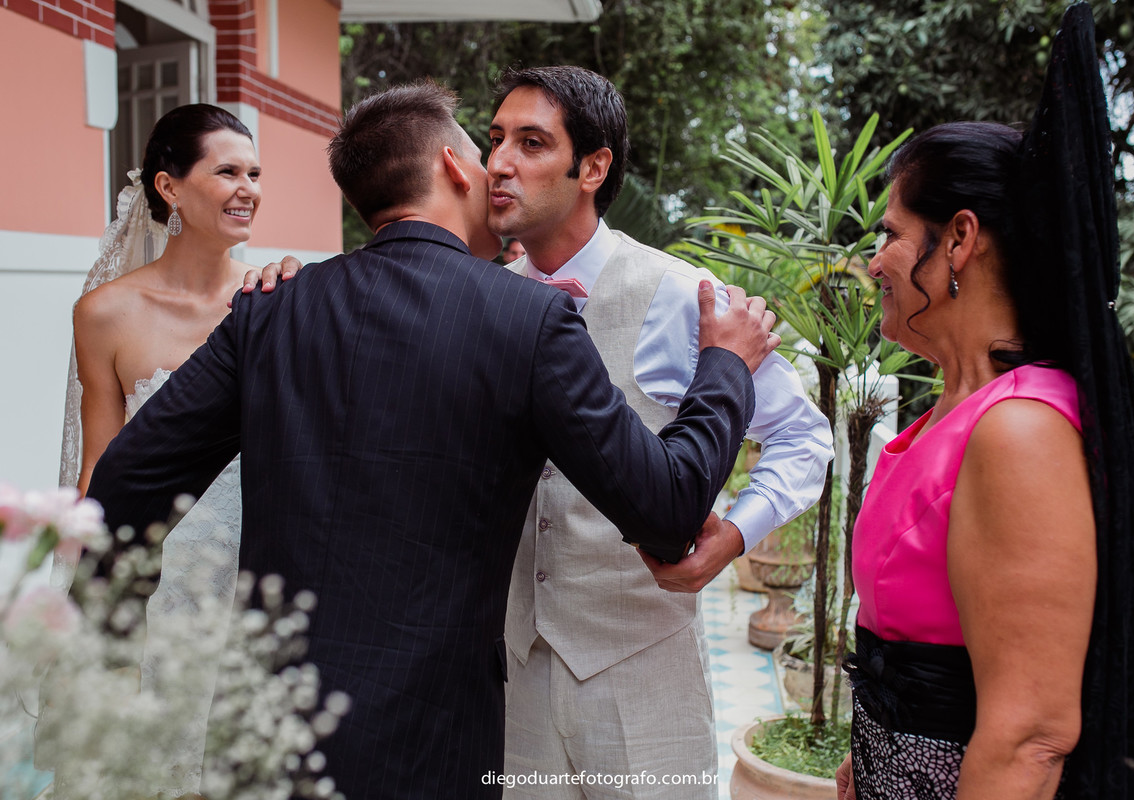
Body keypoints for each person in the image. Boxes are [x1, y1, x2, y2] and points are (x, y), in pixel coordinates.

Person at [85, 80, 780, 800]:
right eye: (485, 153)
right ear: (453, 166)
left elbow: (123, 483)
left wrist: (112, 642)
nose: (498, 171)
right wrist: (725, 365)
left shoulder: (269, 311)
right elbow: (668, 509)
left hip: (266, 732)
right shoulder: (528, 319)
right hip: (431, 743)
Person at [835, 6, 1134, 800]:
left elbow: (1030, 739)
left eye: (890, 234)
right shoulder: (956, 413)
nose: (874, 263)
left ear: (958, 238)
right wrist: (872, 756)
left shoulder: (1019, 430)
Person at [486, 65, 833, 796]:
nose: (500, 163)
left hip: (643, 668)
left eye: (531, 142)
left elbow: (804, 438)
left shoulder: (682, 296)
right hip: (516, 668)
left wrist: (732, 537)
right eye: (495, 140)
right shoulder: (485, 298)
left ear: (593, 168)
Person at [56, 103, 292, 796]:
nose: (248, 189)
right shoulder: (104, 313)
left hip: (259, 563)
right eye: (227, 172)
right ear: (169, 187)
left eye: (254, 174)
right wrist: (99, 603)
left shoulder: (277, 297)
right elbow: (100, 467)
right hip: (160, 578)